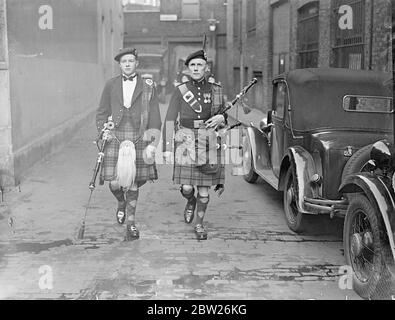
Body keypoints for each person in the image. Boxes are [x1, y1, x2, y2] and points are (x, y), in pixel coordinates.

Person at [96, 47, 161, 241]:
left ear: (136, 64)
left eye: (130, 61)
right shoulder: (111, 84)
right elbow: (101, 111)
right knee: (115, 182)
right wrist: (103, 131)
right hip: (115, 134)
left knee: (133, 182)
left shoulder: (148, 86)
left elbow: (155, 115)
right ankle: (121, 203)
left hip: (139, 134)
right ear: (120, 65)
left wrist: (152, 143)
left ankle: (131, 224)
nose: (127, 64)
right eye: (124, 61)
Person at [163, 49, 229, 240]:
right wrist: (167, 148)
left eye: (199, 65)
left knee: (203, 188)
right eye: (192, 65)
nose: (196, 68)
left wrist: (220, 117)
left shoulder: (216, 89)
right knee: (187, 188)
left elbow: (225, 114)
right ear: (188, 69)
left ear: (206, 68)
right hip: (185, 138)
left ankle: (199, 224)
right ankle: (190, 201)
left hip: (208, 138)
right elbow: (169, 118)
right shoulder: (180, 90)